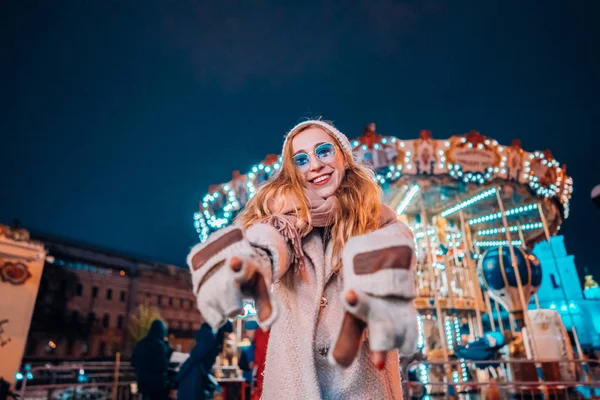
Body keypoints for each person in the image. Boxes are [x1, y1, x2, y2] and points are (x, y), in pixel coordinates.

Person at [187, 119, 418, 399]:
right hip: (294, 387)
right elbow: (271, 242)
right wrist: (252, 261)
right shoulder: (285, 223)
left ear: (343, 156)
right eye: (301, 159)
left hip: (361, 386)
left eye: (323, 151)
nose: (315, 165)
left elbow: (395, 249)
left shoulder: (380, 223)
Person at [176, 320, 233, 400]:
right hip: (193, 381)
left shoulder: (210, 339)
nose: (227, 338)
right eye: (226, 335)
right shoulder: (209, 339)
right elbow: (194, 359)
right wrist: (178, 377)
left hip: (194, 380)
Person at [131, 320, 172, 400]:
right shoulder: (159, 345)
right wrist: (166, 344)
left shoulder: (141, 343)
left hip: (142, 383)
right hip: (156, 386)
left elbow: (133, 361)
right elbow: (163, 365)